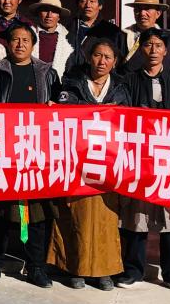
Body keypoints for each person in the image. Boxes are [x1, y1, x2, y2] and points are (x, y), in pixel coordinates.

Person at [0, 23, 60, 288]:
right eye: (15, 39)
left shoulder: (48, 73)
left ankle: (36, 266)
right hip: (2, 150)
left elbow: (62, 105)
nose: (20, 44)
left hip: (35, 151)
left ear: (33, 45)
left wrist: (56, 106)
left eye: (26, 40)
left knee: (36, 212)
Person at [118, 28, 170, 292]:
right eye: (148, 45)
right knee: (137, 217)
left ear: (166, 51)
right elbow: (122, 116)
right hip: (140, 157)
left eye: (158, 45)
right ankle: (133, 270)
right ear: (141, 49)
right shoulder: (129, 80)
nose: (153, 50)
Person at [50, 39, 128, 291]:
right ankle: (74, 268)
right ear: (89, 57)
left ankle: (104, 271)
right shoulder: (72, 82)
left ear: (114, 62)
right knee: (75, 214)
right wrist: (100, 111)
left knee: (106, 217)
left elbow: (128, 121)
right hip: (77, 160)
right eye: (97, 55)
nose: (102, 61)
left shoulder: (121, 88)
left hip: (107, 162)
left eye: (108, 57)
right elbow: (64, 111)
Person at [119, 0, 170, 75]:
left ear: (158, 13)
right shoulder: (122, 37)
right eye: (138, 9)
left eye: (147, 8)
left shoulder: (169, 38)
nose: (142, 13)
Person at [65, 0, 125, 74]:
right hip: (71, 77)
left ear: (100, 6)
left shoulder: (113, 32)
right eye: (83, 1)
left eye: (92, 1)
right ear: (78, 4)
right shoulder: (67, 29)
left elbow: (119, 60)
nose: (87, 5)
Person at [29, 0, 74, 79]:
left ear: (59, 16)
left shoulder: (69, 38)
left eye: (54, 11)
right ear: (38, 13)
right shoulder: (28, 34)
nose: (49, 15)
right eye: (45, 10)